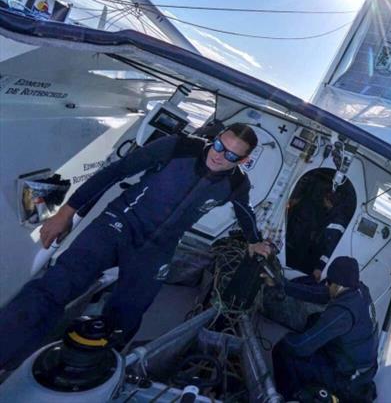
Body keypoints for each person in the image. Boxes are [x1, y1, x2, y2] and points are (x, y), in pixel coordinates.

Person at [0, 123, 271, 370]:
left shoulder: (236, 183)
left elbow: (243, 210)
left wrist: (254, 241)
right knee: (55, 287)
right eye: (219, 145)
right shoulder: (180, 146)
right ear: (216, 138)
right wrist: (66, 213)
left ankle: (94, 369)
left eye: (231, 155)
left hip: (158, 247)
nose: (219, 155)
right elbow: (116, 171)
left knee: (128, 314)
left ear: (243, 160)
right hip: (119, 223)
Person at [270, 256, 378, 402]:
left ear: (339, 285)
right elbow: (316, 294)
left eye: (329, 282)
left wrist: (287, 340)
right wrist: (281, 284)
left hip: (347, 378)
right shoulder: (359, 289)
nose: (326, 285)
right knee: (313, 319)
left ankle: (289, 396)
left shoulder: (342, 314)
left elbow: (301, 347)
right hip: (361, 365)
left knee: (282, 350)